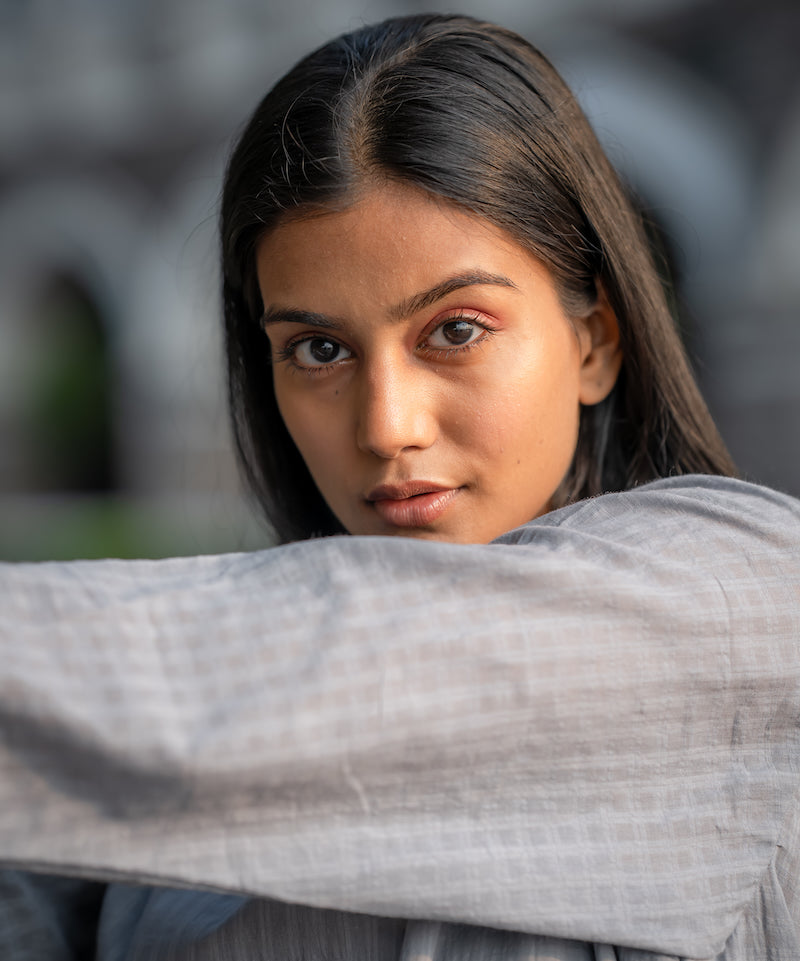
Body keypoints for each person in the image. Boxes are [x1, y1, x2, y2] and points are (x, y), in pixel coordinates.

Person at [1, 12, 798, 961]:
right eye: (319, 349)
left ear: (594, 341)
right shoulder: (174, 769)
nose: (386, 426)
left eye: (456, 331)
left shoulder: (734, 603)